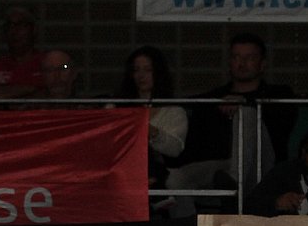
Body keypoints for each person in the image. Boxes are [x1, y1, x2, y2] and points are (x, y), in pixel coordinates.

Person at [166, 32, 285, 216]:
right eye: (236, 57)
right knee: (174, 179)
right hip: (219, 169)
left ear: (262, 64)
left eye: (249, 58)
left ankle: (234, 185)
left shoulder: (278, 94)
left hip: (261, 168)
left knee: (246, 112)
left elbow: (281, 130)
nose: (242, 63)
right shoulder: (213, 98)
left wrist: (244, 103)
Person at [115, 45, 188, 215]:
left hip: (161, 169)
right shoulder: (117, 107)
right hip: (124, 169)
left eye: (147, 70)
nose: (141, 76)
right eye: (136, 70)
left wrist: (150, 131)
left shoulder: (174, 111)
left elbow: (175, 148)